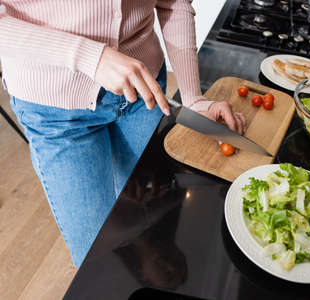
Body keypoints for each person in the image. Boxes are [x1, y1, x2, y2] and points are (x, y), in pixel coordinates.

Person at [0, 0, 245, 268]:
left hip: (144, 95)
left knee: (153, 213)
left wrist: (192, 97)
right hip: (56, 108)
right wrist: (91, 56)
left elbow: (173, 3)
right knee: (97, 255)